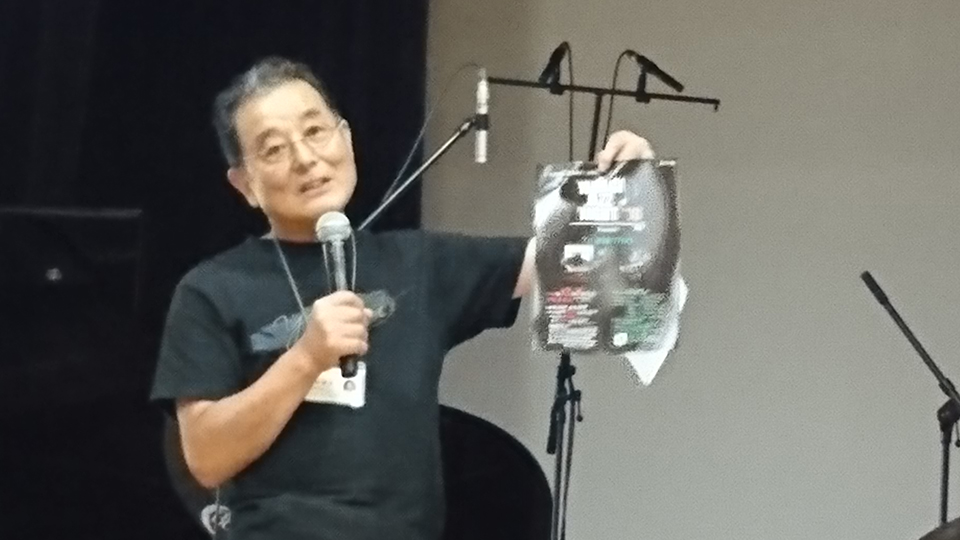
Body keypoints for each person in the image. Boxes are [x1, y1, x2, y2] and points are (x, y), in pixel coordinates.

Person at [150, 56, 655, 540]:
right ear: (244, 184)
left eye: (315, 131)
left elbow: (585, 271)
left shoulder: (418, 263)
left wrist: (631, 187)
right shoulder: (211, 289)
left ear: (346, 138)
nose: (305, 158)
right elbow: (205, 459)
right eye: (274, 149)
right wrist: (305, 358)